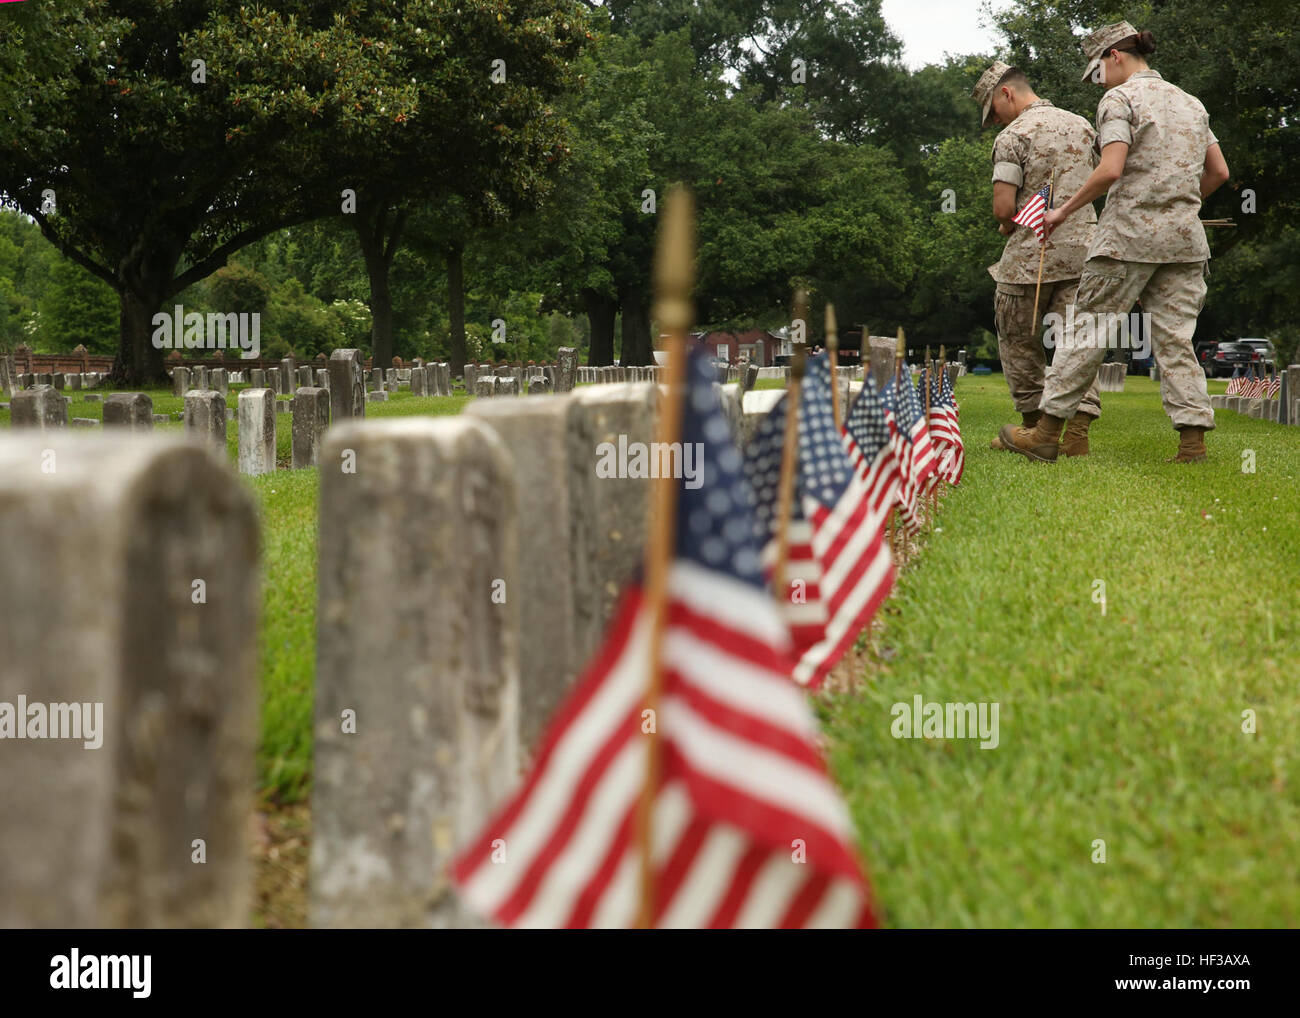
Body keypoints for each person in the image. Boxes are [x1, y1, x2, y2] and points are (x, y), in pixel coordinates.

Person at [996, 22, 1230, 464]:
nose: (1097, 81)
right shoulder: (1190, 103)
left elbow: (1110, 169)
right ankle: (1192, 443)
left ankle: (1045, 434)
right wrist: (1177, 206)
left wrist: (1063, 210)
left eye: (1097, 71)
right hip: (1184, 244)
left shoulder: (1119, 99)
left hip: (1125, 241)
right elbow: (1219, 173)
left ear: (1115, 56)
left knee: (1086, 333)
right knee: (1177, 341)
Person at [971, 61, 1104, 455]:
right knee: (1077, 342)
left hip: (1032, 257)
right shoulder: (1083, 125)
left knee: (1018, 337)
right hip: (1085, 252)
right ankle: (1077, 436)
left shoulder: (1014, 136)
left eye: (993, 112)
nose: (995, 121)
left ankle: (1032, 428)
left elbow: (1003, 207)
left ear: (1005, 93)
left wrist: (1006, 223)